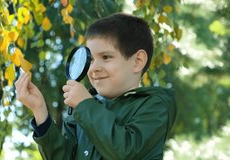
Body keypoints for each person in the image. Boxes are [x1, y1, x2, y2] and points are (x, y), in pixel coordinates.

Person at [15, 13, 177, 160]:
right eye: (90, 60)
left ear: (138, 61)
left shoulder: (155, 105)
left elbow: (125, 152)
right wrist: (40, 111)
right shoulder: (84, 107)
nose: (93, 68)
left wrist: (85, 105)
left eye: (106, 57)